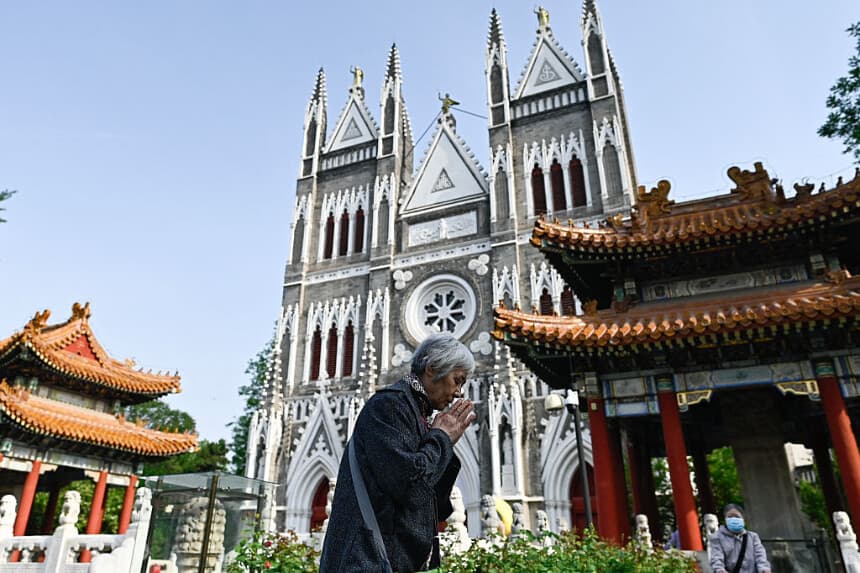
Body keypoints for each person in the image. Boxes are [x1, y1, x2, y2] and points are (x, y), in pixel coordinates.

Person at [320, 333, 476, 572]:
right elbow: (411, 487)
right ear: (432, 369)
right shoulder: (389, 407)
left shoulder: (418, 413)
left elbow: (432, 505)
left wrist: (444, 440)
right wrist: (441, 438)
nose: (459, 393)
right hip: (366, 562)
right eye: (457, 380)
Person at [709, 504, 772, 573]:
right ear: (725, 519)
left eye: (737, 516)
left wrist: (764, 569)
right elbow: (716, 557)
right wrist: (720, 570)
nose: (733, 519)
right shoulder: (717, 537)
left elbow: (760, 556)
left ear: (743, 519)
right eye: (730, 516)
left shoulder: (753, 537)